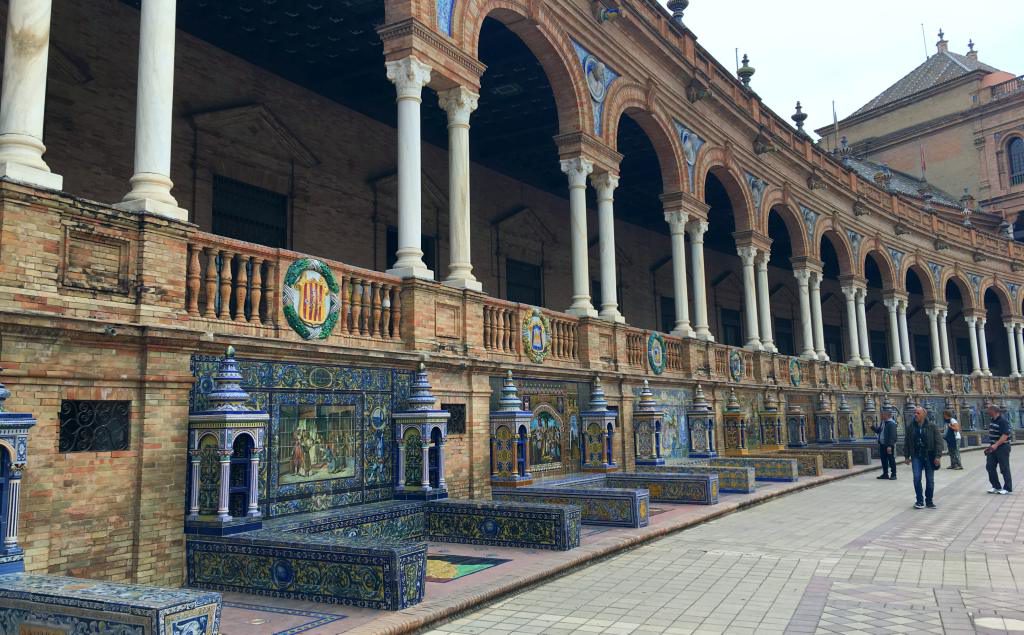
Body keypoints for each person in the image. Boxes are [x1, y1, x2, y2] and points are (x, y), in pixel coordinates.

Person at [903, 406, 942, 509]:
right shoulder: (911, 427)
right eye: (915, 413)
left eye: (918, 413)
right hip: (916, 455)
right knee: (916, 478)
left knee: (930, 479)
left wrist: (938, 456)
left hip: (929, 455)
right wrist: (906, 456)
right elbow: (907, 442)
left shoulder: (932, 426)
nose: (915, 415)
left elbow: (939, 442)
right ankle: (919, 500)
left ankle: (929, 501)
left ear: (924, 415)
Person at [984, 404, 1013, 494]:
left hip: (1002, 447)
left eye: (989, 410)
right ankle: (996, 486)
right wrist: (991, 446)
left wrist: (996, 445)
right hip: (993, 447)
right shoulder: (992, 420)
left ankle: (1007, 488)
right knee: (990, 466)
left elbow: (1005, 435)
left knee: (1004, 467)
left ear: (994, 411)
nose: (987, 411)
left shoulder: (1003, 421)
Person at [872, 409, 898, 480]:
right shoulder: (883, 422)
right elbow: (879, 431)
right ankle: (885, 474)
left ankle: (894, 474)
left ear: (886, 415)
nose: (881, 416)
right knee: (884, 460)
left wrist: (889, 446)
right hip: (882, 444)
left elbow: (892, 436)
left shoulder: (891, 423)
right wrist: (872, 427)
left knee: (891, 459)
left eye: (882, 414)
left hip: (888, 445)